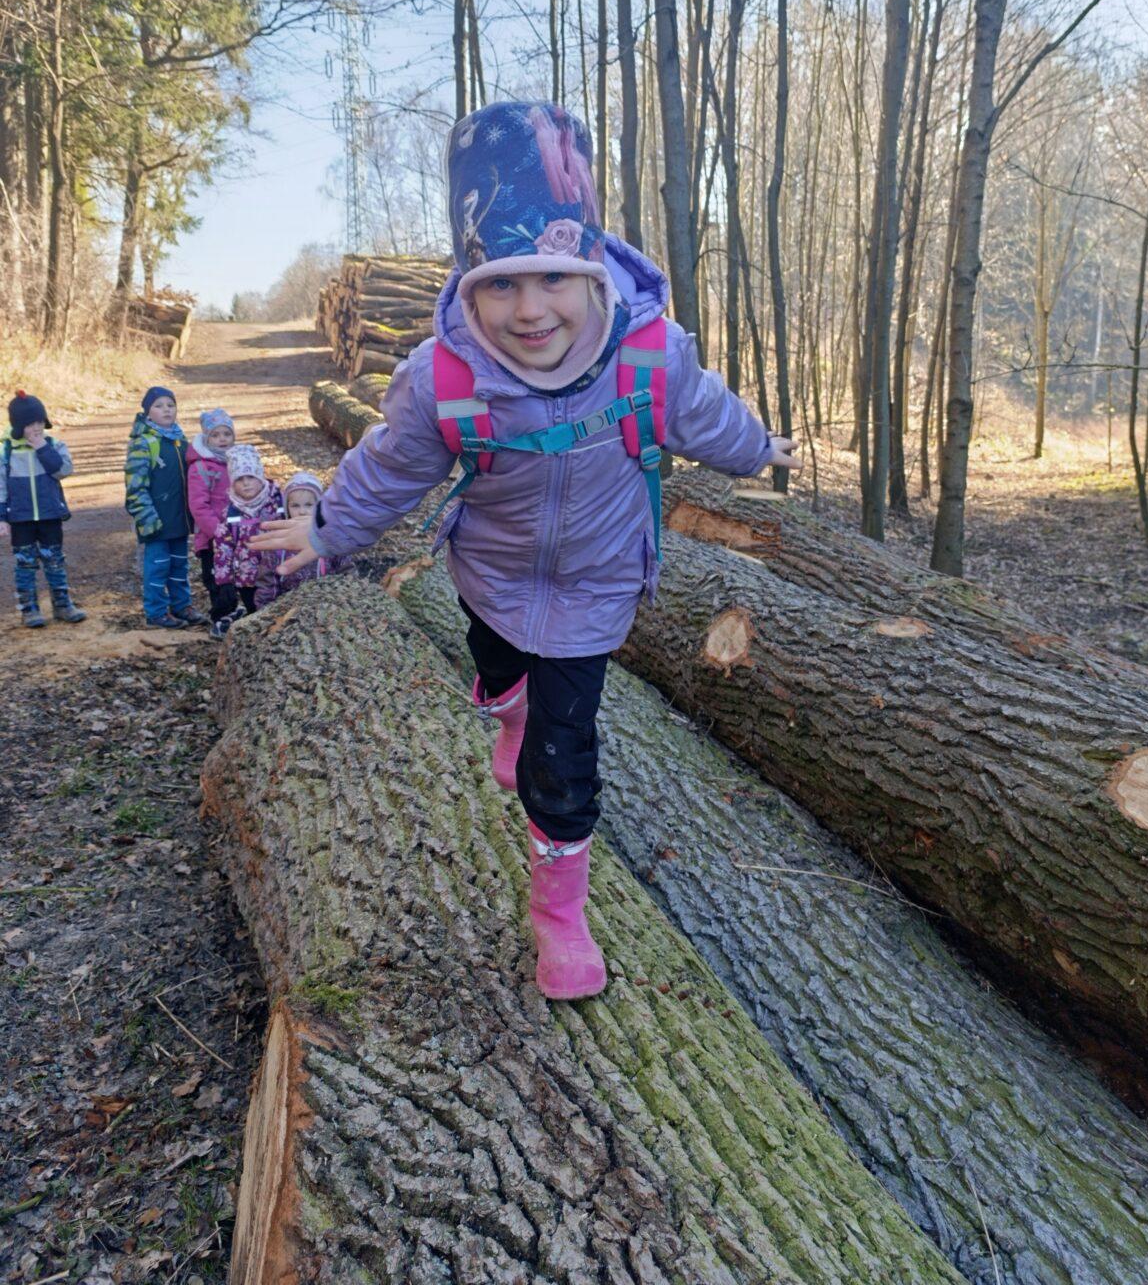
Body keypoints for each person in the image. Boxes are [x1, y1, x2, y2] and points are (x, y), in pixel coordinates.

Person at [253, 100, 800, 1002]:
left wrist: (755, 448)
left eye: (549, 279)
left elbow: (706, 416)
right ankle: (503, 708)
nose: (527, 308)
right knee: (500, 671)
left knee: (564, 747)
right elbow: (389, 468)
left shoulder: (650, 360)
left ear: (589, 272)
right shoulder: (443, 380)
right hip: (489, 575)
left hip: (596, 584)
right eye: (498, 285)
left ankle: (558, 912)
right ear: (468, 289)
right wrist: (327, 529)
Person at [1, 391, 86, 627]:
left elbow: (63, 470)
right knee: (25, 564)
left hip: (50, 515)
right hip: (20, 518)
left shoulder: (54, 445)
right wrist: (2, 518)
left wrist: (41, 448)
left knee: (55, 561)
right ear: (18, 426)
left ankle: (63, 605)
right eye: (29, 424)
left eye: (39, 422)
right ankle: (29, 610)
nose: (36, 428)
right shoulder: (6, 452)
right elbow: (0, 487)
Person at [124, 386, 204, 629]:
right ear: (148, 413)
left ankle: (182, 605)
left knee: (180, 564)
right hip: (156, 520)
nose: (166, 410)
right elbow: (135, 487)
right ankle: (156, 611)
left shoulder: (180, 440)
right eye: (159, 405)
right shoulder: (144, 443)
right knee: (158, 567)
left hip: (179, 519)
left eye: (170, 405)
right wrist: (147, 518)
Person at [254, 470, 351, 608]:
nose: (302, 511)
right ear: (287, 508)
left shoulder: (330, 535)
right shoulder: (279, 540)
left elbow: (346, 571)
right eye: (295, 505)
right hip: (288, 608)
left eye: (308, 505)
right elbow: (268, 580)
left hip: (327, 606)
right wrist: (265, 609)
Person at [212, 443, 283, 630]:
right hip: (246, 578)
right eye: (239, 478)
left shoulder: (278, 504)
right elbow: (223, 549)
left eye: (251, 477)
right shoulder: (230, 512)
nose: (246, 483)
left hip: (277, 573)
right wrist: (224, 582)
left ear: (260, 477)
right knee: (255, 614)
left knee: (276, 613)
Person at [187, 408, 236, 637]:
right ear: (207, 438)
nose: (222, 439)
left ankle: (233, 613)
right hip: (212, 537)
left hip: (238, 533)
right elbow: (198, 505)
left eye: (227, 434)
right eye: (216, 435)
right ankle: (218, 618)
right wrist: (216, 530)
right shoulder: (201, 467)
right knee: (217, 578)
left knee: (238, 575)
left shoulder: (237, 462)